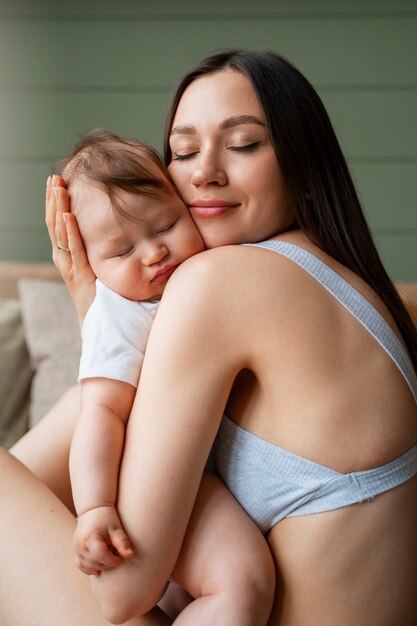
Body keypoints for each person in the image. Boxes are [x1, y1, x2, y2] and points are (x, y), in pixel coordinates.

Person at [1, 49, 417, 626]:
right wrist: (104, 320)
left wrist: (93, 308)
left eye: (243, 144)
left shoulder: (220, 282)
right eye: (184, 150)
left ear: (303, 161)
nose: (204, 173)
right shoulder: (349, 285)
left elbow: (121, 595)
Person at [55, 127, 274, 624]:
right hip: (163, 479)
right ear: (88, 264)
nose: (153, 253)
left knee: (184, 600)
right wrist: (94, 508)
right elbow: (100, 414)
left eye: (164, 225)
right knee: (241, 582)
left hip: (204, 469)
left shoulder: (217, 272)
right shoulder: (119, 316)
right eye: (121, 250)